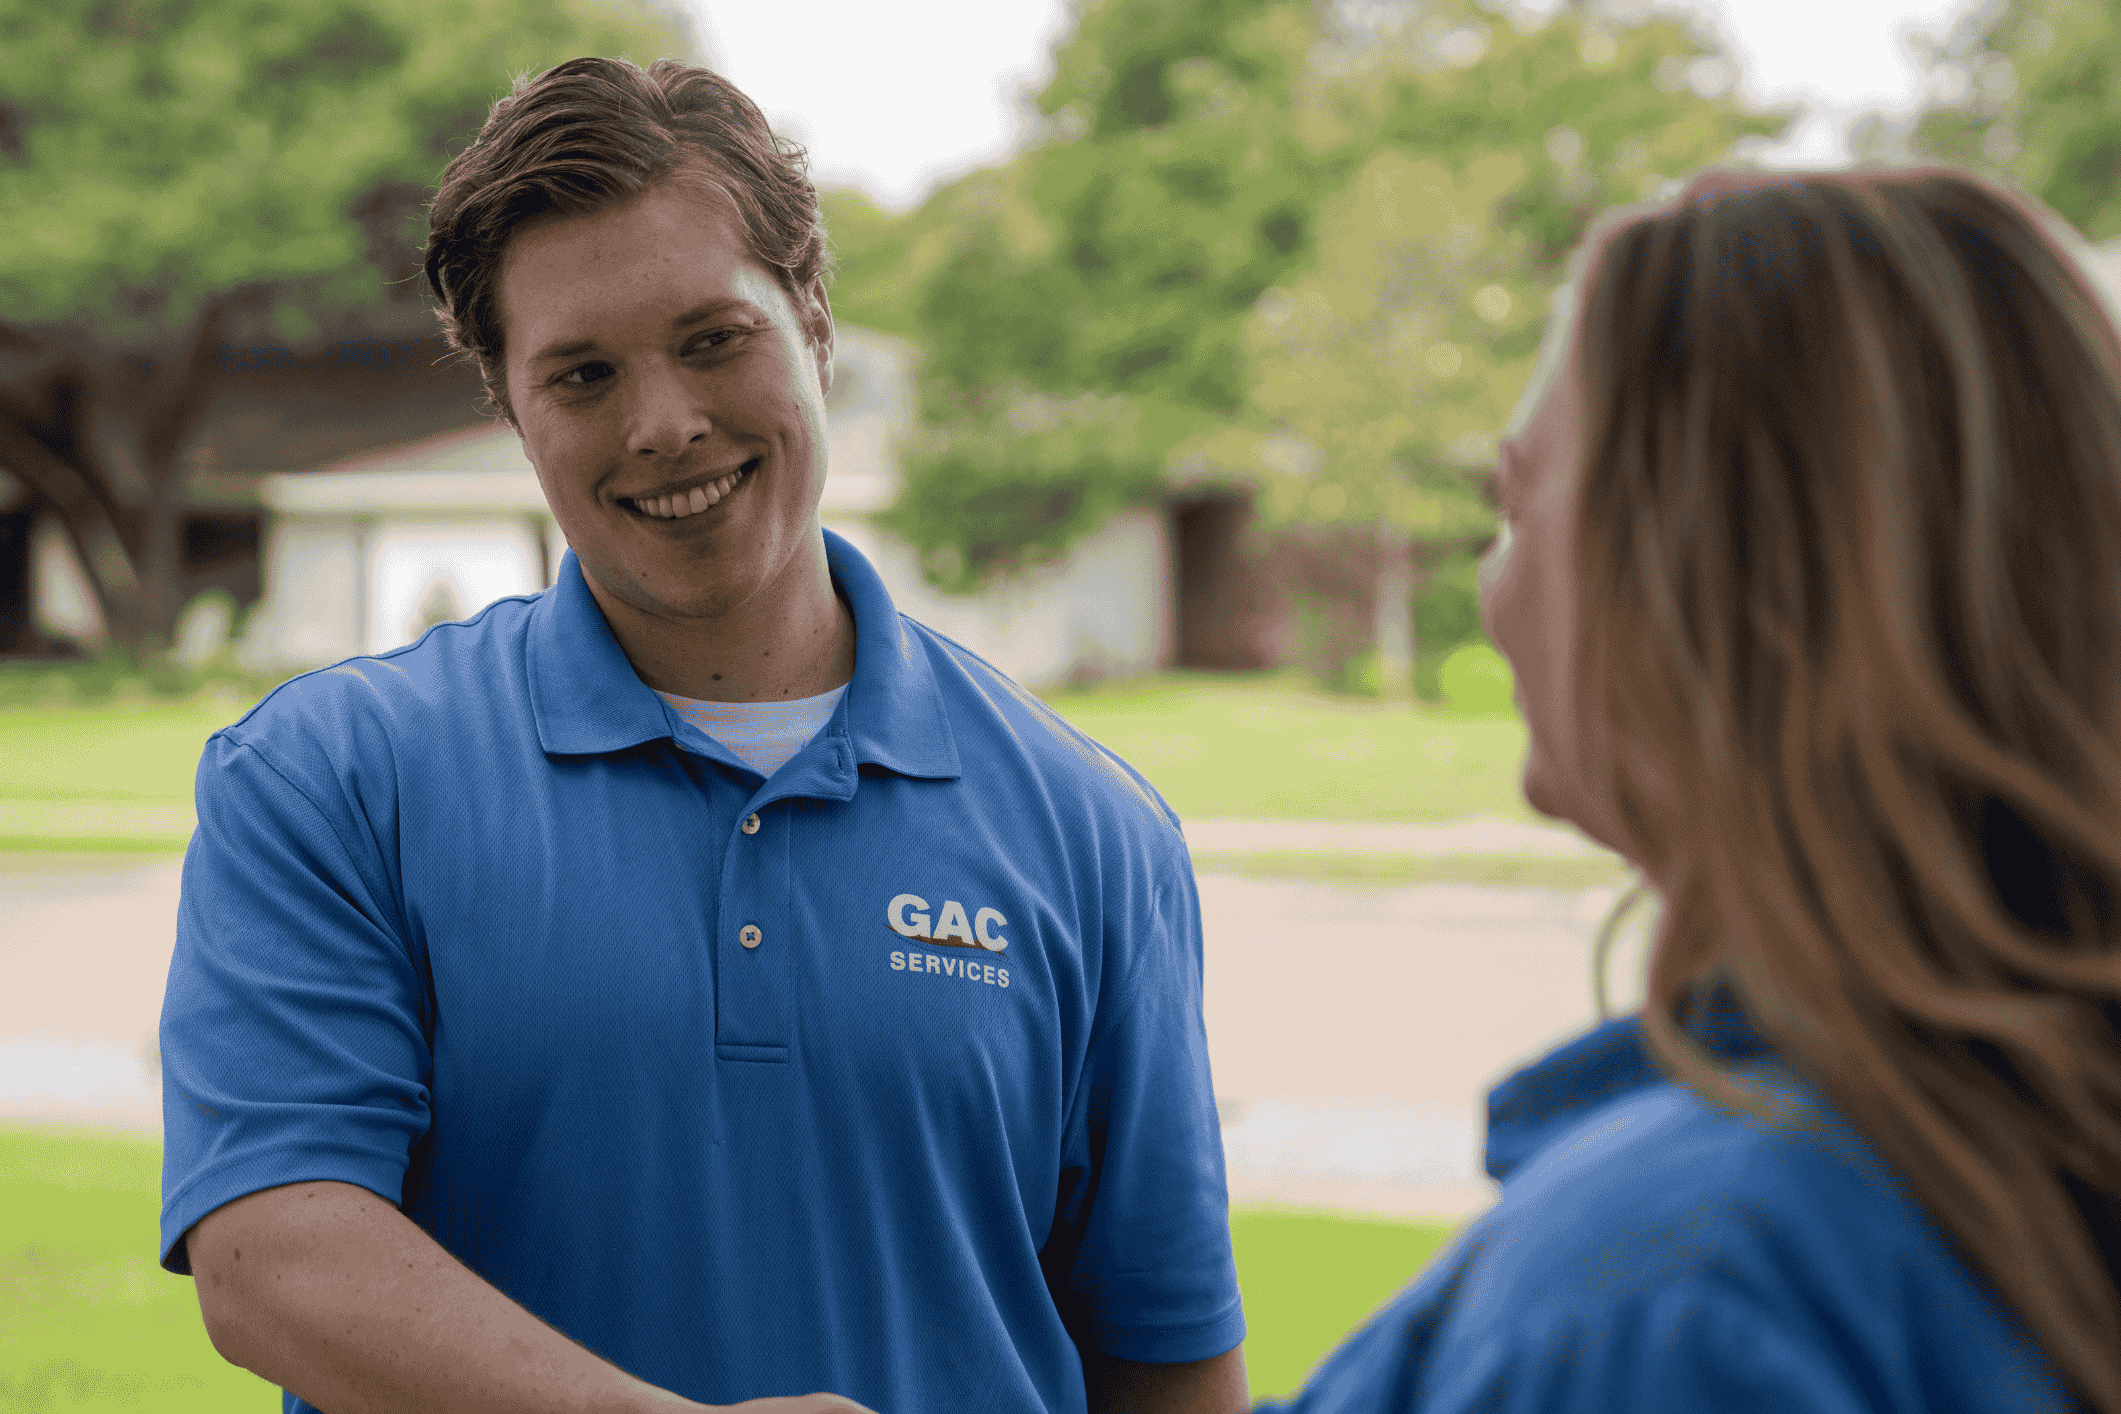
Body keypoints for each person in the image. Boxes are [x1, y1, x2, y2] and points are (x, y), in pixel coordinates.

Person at [157, 56, 1248, 1414]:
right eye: (583, 374)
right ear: (510, 406)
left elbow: (1168, 1356)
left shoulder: (1095, 830)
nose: (664, 423)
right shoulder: (328, 780)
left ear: (815, 323)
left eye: (713, 340)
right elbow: (274, 1262)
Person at [1257, 165, 2121, 1413]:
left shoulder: (1674, 1292)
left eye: (1518, 504)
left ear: (1703, 581)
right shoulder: (1995, 1150)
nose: (1492, 593)